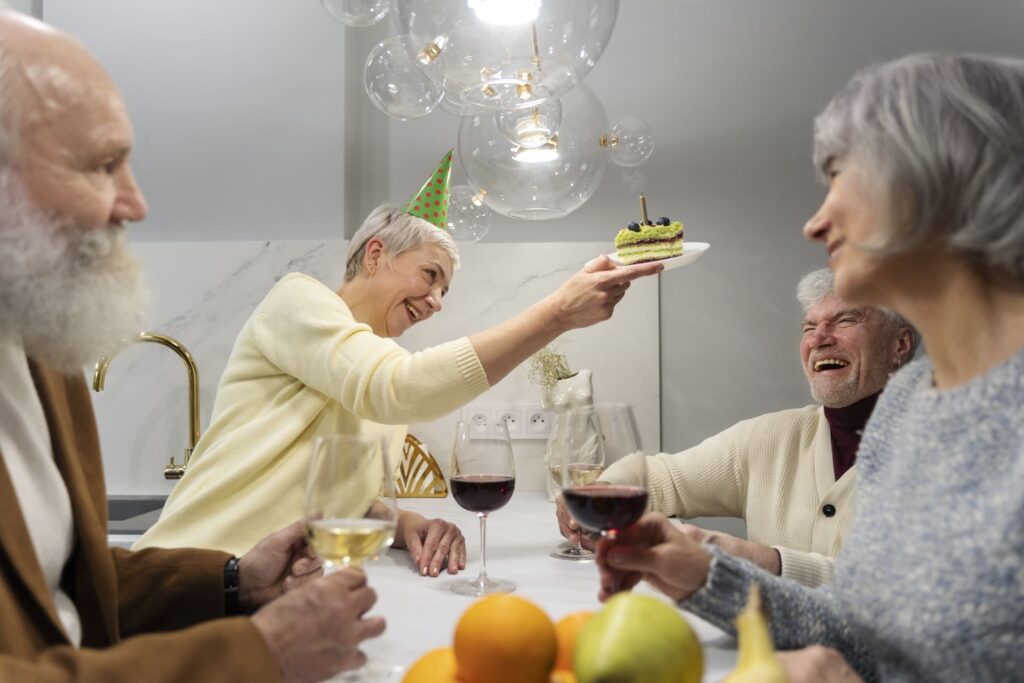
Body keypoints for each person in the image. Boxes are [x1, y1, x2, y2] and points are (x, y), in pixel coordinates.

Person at [595, 53, 1024, 682]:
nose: (815, 221)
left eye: (839, 177)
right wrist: (703, 574)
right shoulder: (910, 409)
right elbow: (867, 629)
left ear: (935, 178)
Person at [0, 10, 391, 682]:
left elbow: (62, 588)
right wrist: (250, 655)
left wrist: (233, 582)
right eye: (102, 164)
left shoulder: (37, 355)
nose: (137, 202)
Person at [135, 153, 662, 570]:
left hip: (267, 585)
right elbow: (400, 387)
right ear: (375, 254)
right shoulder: (298, 300)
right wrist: (557, 315)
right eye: (430, 275)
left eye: (445, 291)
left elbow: (332, 495)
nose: (436, 301)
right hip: (190, 570)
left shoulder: (371, 362)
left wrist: (401, 522)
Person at [555, 267, 917, 587]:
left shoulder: (950, 456)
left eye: (845, 320)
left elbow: (910, 597)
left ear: (899, 344)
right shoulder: (769, 439)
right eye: (809, 326)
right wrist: (600, 492)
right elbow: (658, 478)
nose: (819, 338)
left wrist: (764, 563)